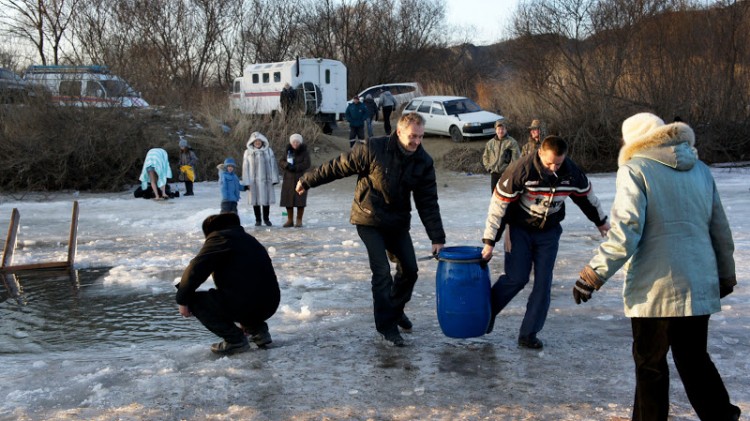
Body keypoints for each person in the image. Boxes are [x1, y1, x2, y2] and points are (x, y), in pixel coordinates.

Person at [573, 113, 741, 421]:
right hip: (698, 282)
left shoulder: (635, 169)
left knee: (650, 365)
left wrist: (593, 273)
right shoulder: (701, 170)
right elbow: (720, 228)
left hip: (656, 288)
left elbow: (626, 231)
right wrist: (725, 273)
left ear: (634, 141)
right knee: (694, 360)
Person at [295, 113, 445, 347]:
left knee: (410, 270)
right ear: (399, 132)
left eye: (421, 137)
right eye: (412, 136)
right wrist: (307, 181)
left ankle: (394, 309)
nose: (417, 142)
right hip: (369, 218)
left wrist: (437, 237)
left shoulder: (423, 162)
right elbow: (338, 166)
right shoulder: (374, 148)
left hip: (397, 222)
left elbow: (428, 202)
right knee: (382, 272)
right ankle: (387, 326)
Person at [481, 135, 610, 349]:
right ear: (540, 152)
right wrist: (490, 240)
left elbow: (587, 198)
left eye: (558, 163)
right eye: (549, 162)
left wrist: (601, 222)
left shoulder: (571, 173)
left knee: (543, 283)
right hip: (520, 229)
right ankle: (487, 313)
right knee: (516, 278)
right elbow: (499, 205)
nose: (553, 167)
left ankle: (528, 334)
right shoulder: (521, 170)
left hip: (548, 232)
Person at [176, 213, 280, 355]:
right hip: (269, 303)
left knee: (195, 301)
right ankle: (258, 331)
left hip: (247, 303)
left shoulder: (220, 238)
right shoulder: (248, 239)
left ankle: (235, 340)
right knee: (240, 293)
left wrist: (182, 299)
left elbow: (196, 269)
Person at [241, 132, 280, 226]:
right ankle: (258, 220)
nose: (257, 143)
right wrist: (246, 182)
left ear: (262, 142)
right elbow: (245, 167)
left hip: (266, 180)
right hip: (253, 181)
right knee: (255, 201)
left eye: (259, 141)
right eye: (255, 141)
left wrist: (274, 179)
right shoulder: (248, 152)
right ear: (252, 142)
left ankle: (266, 219)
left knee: (266, 201)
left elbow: (273, 165)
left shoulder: (268, 151)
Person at [279, 133, 311, 227]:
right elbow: (281, 161)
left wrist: (296, 167)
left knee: (300, 200)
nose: (295, 143)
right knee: (288, 200)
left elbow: (307, 164)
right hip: (288, 179)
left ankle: (299, 220)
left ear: (300, 143)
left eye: (297, 142)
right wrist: (287, 165)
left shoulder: (304, 152)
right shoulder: (287, 151)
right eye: (294, 142)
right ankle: (289, 220)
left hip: (301, 179)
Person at [482, 118, 521, 193]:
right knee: (494, 196)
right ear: (495, 130)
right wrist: (489, 168)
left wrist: (509, 171)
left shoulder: (512, 142)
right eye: (498, 129)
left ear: (506, 129)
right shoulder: (490, 143)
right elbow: (485, 157)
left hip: (506, 175)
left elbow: (516, 159)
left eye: (502, 129)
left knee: (506, 196)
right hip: (494, 174)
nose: (500, 131)